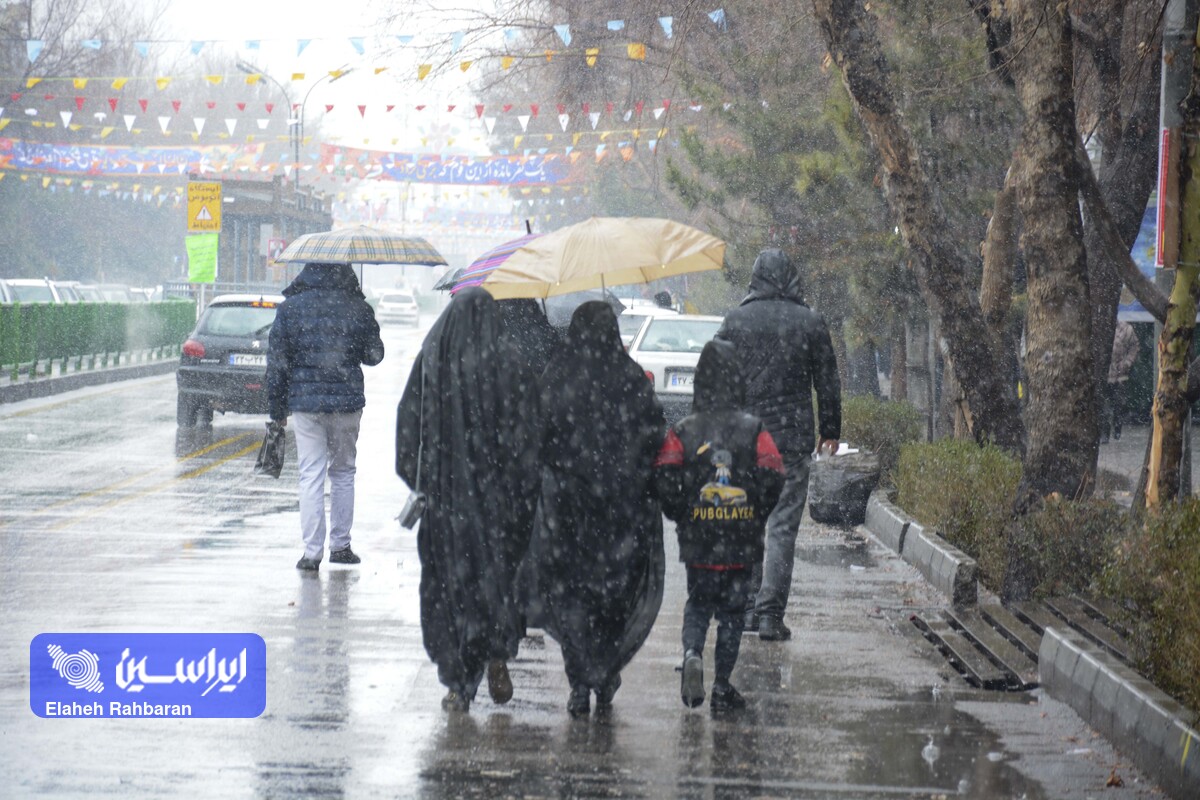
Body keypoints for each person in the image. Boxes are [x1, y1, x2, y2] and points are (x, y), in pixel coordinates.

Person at [395, 288, 542, 712]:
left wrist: (421, 482)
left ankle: (458, 681)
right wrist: (520, 498)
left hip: (445, 505)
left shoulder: (433, 360)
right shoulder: (511, 362)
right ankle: (495, 650)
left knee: (446, 589)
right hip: (498, 509)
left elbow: (409, 429)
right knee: (493, 584)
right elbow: (527, 439)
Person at [526, 301, 666, 717]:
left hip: (569, 511)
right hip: (624, 512)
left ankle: (578, 682)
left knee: (573, 595)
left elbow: (538, 436)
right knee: (612, 597)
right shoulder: (631, 378)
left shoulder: (557, 375)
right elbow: (655, 436)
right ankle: (604, 673)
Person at [716, 248, 841, 641]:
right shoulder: (809, 322)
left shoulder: (735, 321)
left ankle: (750, 608)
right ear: (790, 279)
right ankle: (771, 616)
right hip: (790, 440)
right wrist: (831, 429)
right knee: (782, 527)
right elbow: (828, 381)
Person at [654, 340, 785, 710]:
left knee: (698, 603)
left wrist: (681, 511)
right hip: (741, 538)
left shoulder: (683, 430)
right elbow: (774, 473)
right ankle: (723, 685)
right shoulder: (753, 429)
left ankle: (693, 651)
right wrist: (756, 511)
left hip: (698, 538)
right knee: (731, 612)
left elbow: (665, 473)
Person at [267, 262, 384, 572]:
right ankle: (341, 546)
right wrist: (360, 331)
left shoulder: (291, 308)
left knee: (310, 474)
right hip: (346, 403)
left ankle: (311, 553)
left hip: (306, 405)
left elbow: (278, 363)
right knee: (344, 471)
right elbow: (375, 356)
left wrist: (277, 410)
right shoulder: (357, 307)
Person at [1103, 320, 1139, 443]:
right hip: (1104, 375)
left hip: (1120, 376)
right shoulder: (1099, 326)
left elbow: (1135, 346)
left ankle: (1117, 427)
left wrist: (1127, 362)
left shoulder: (1126, 329)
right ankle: (1104, 433)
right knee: (1104, 406)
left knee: (1119, 404)